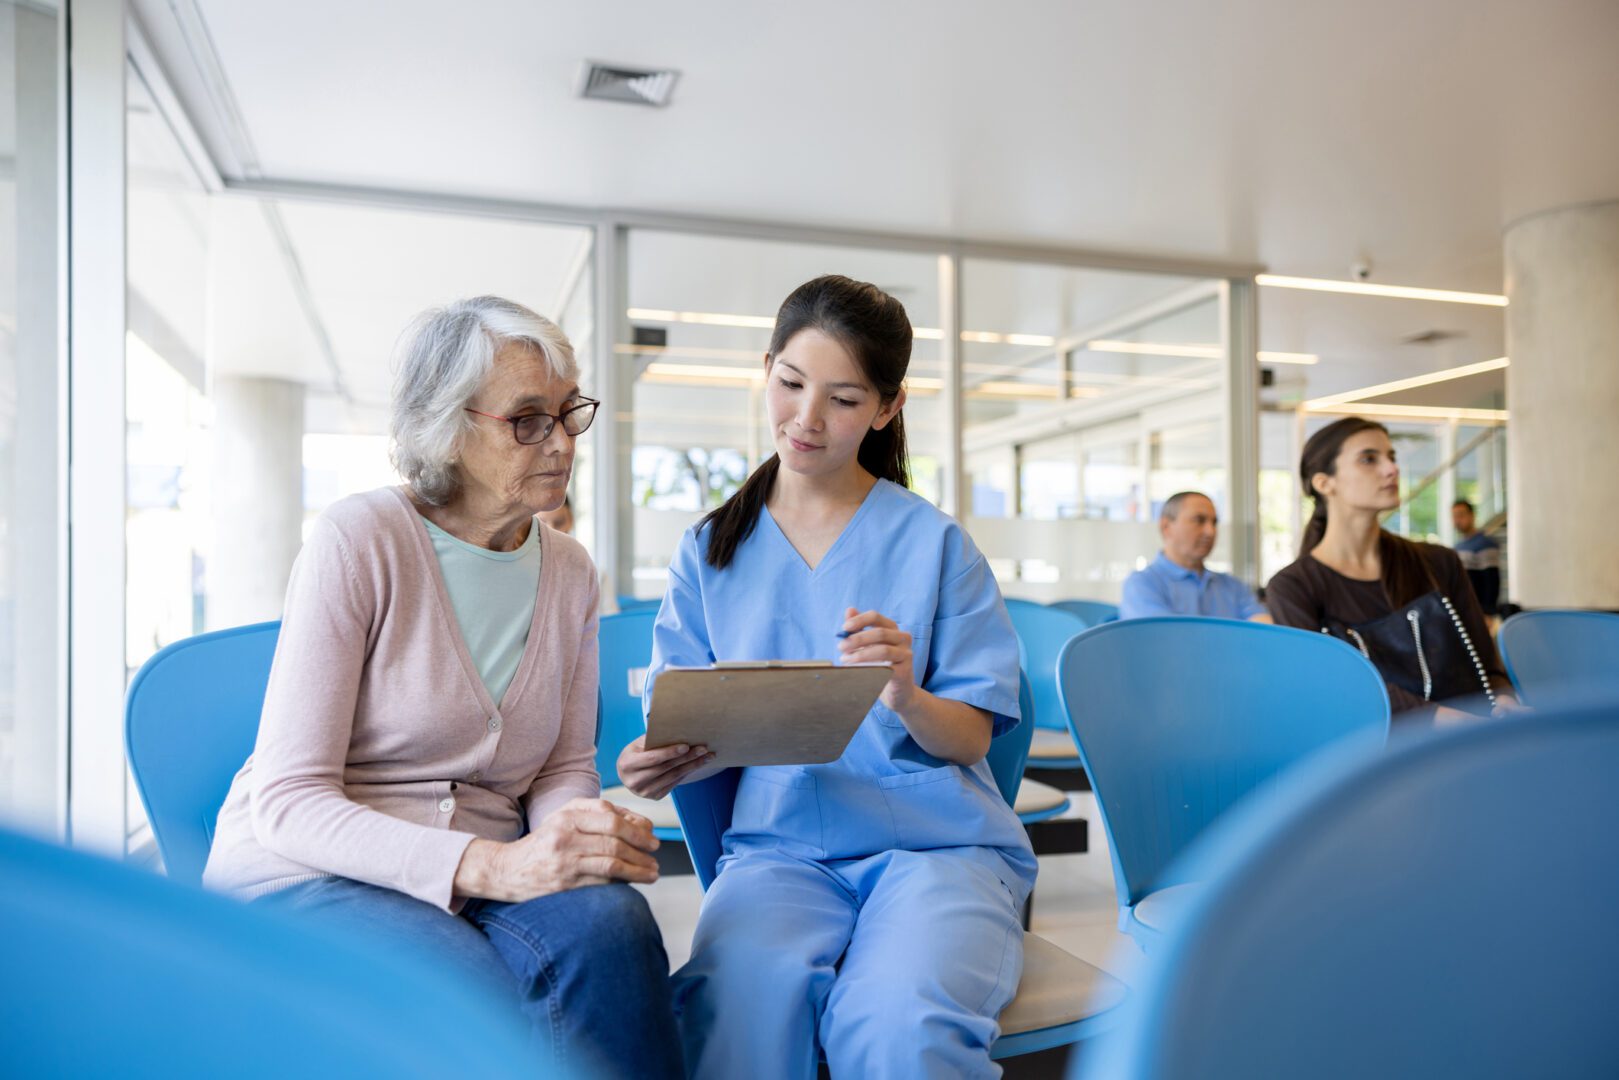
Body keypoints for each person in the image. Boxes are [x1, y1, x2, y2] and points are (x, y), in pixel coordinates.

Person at [202, 296, 683, 1079]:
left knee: (613, 931)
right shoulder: (360, 540)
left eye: (569, 413)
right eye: (527, 419)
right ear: (449, 427)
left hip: (492, 867)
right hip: (320, 872)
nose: (561, 442)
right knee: (462, 989)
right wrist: (493, 868)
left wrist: (569, 843)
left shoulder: (570, 572)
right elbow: (289, 801)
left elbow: (562, 766)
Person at [616, 275, 1035, 1078]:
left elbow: (970, 736)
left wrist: (906, 694)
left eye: (843, 399)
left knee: (895, 1028)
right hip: (779, 853)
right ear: (765, 368)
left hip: (938, 850)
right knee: (732, 1016)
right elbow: (688, 725)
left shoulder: (935, 544)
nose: (806, 420)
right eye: (790, 384)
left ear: (886, 408)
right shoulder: (709, 552)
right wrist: (654, 763)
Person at [1266, 416, 1516, 720]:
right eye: (1369, 459)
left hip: (1471, 743)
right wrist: (1443, 720)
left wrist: (1506, 702)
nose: (1391, 469)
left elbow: (1486, 665)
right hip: (1375, 755)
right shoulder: (1294, 586)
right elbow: (1332, 687)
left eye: (1392, 457)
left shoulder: (1440, 562)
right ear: (1324, 483)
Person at [1119, 491, 1270, 621]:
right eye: (1199, 520)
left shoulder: (1233, 587)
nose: (1210, 531)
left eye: (1214, 522)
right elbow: (1163, 639)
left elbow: (1263, 632)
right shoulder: (1141, 584)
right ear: (1166, 527)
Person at [1452, 499, 1502, 615]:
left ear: (1472, 516)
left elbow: (1492, 580)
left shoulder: (1485, 543)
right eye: (1454, 516)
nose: (1457, 520)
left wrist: (1488, 612)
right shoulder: (1458, 546)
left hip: (1479, 611)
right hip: (1463, 609)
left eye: (1461, 515)